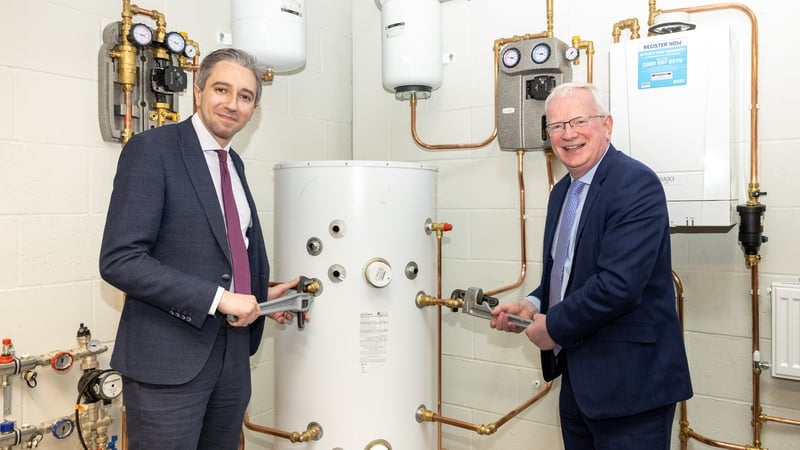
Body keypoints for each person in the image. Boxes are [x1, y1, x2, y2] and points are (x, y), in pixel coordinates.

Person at [99, 48, 305, 449]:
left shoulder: (233, 164)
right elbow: (120, 260)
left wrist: (260, 296)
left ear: (254, 108)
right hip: (167, 363)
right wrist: (220, 299)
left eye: (245, 96)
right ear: (197, 92)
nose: (232, 104)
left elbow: (218, 257)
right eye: (221, 89)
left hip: (231, 357)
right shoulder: (152, 150)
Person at [490, 82, 692, 449]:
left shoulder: (635, 183)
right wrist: (532, 306)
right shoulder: (561, 193)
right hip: (581, 386)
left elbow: (618, 286)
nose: (568, 134)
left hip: (633, 389)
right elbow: (563, 275)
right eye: (556, 126)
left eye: (579, 121)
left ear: (607, 125)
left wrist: (552, 326)